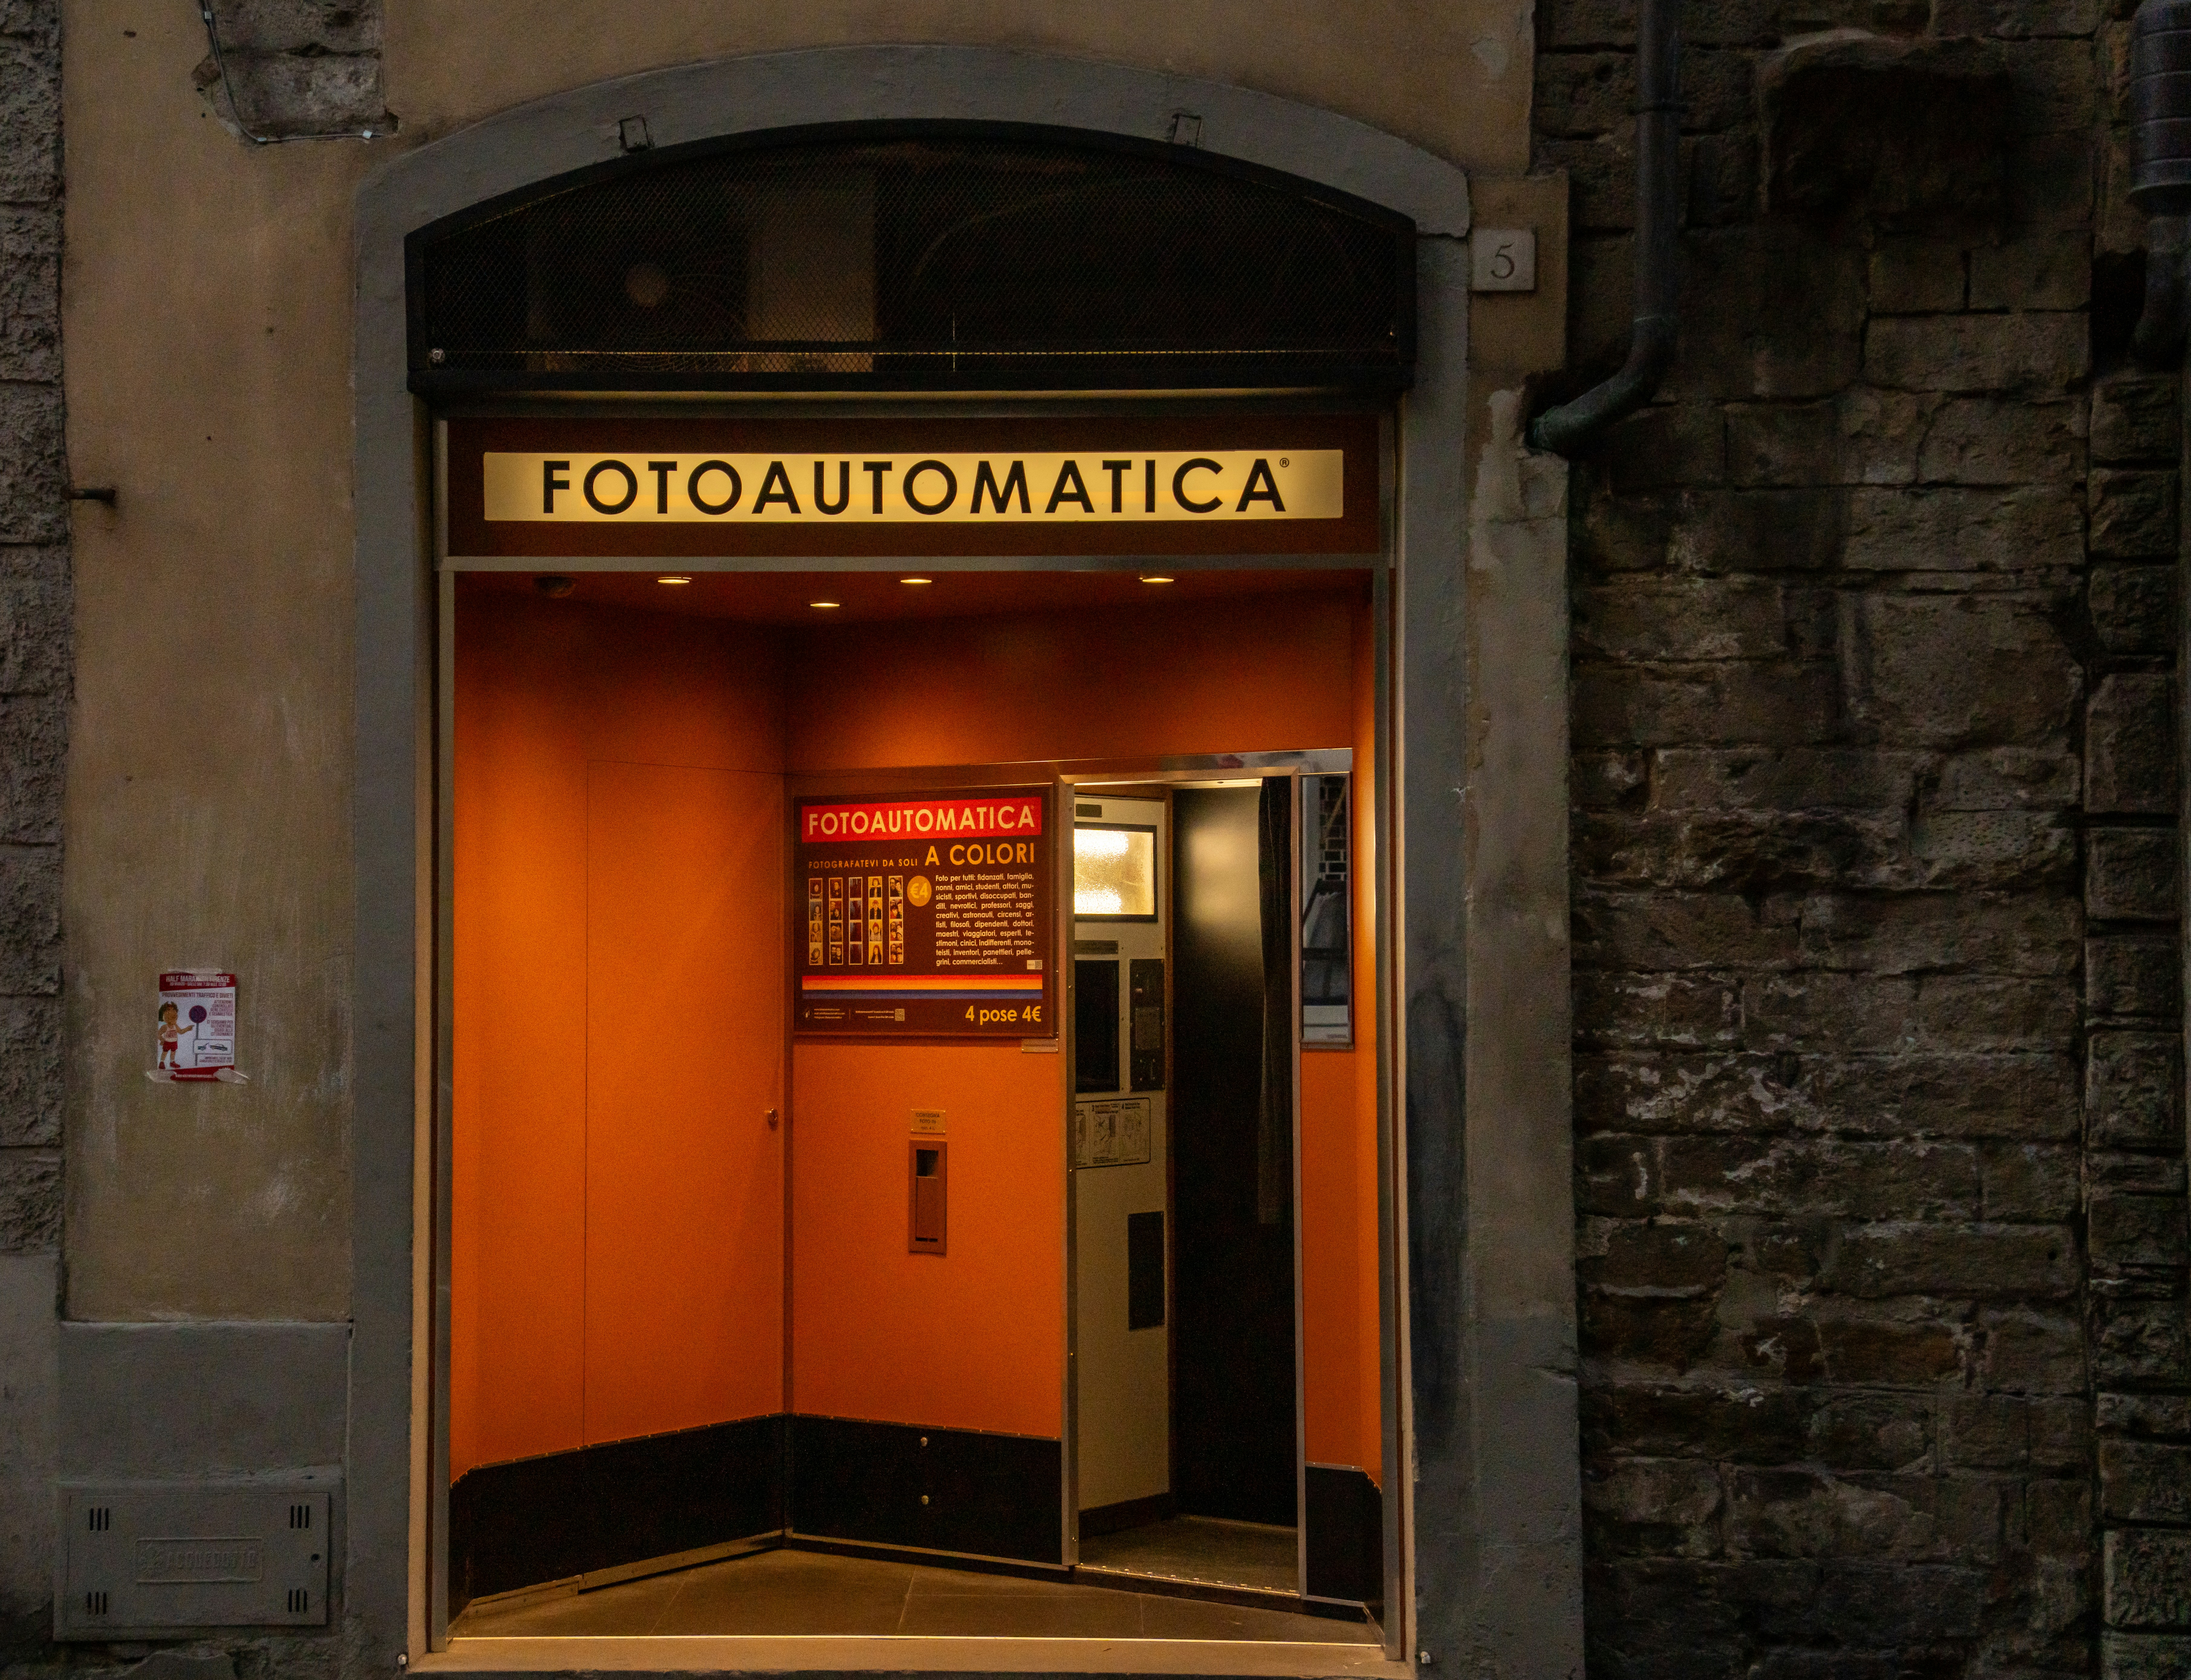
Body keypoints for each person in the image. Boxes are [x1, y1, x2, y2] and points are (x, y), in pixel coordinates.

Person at [155, 1002, 182, 1070]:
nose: (172, 1012)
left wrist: (188, 1029)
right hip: (167, 1042)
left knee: (174, 1052)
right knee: (165, 1052)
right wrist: (162, 1039)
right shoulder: (165, 1027)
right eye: (169, 1010)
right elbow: (158, 1034)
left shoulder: (175, 1026)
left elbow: (181, 1032)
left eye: (173, 1010)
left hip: (174, 1042)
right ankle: (162, 1062)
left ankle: (172, 1062)